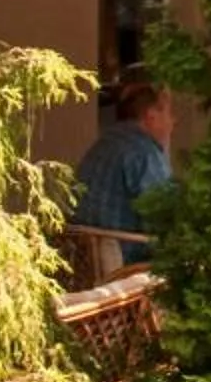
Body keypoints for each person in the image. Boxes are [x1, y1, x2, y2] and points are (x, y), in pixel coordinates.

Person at [73, 80, 175, 266]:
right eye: (169, 114)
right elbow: (166, 218)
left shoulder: (102, 144)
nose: (173, 122)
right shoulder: (145, 153)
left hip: (83, 264)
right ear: (151, 116)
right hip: (124, 265)